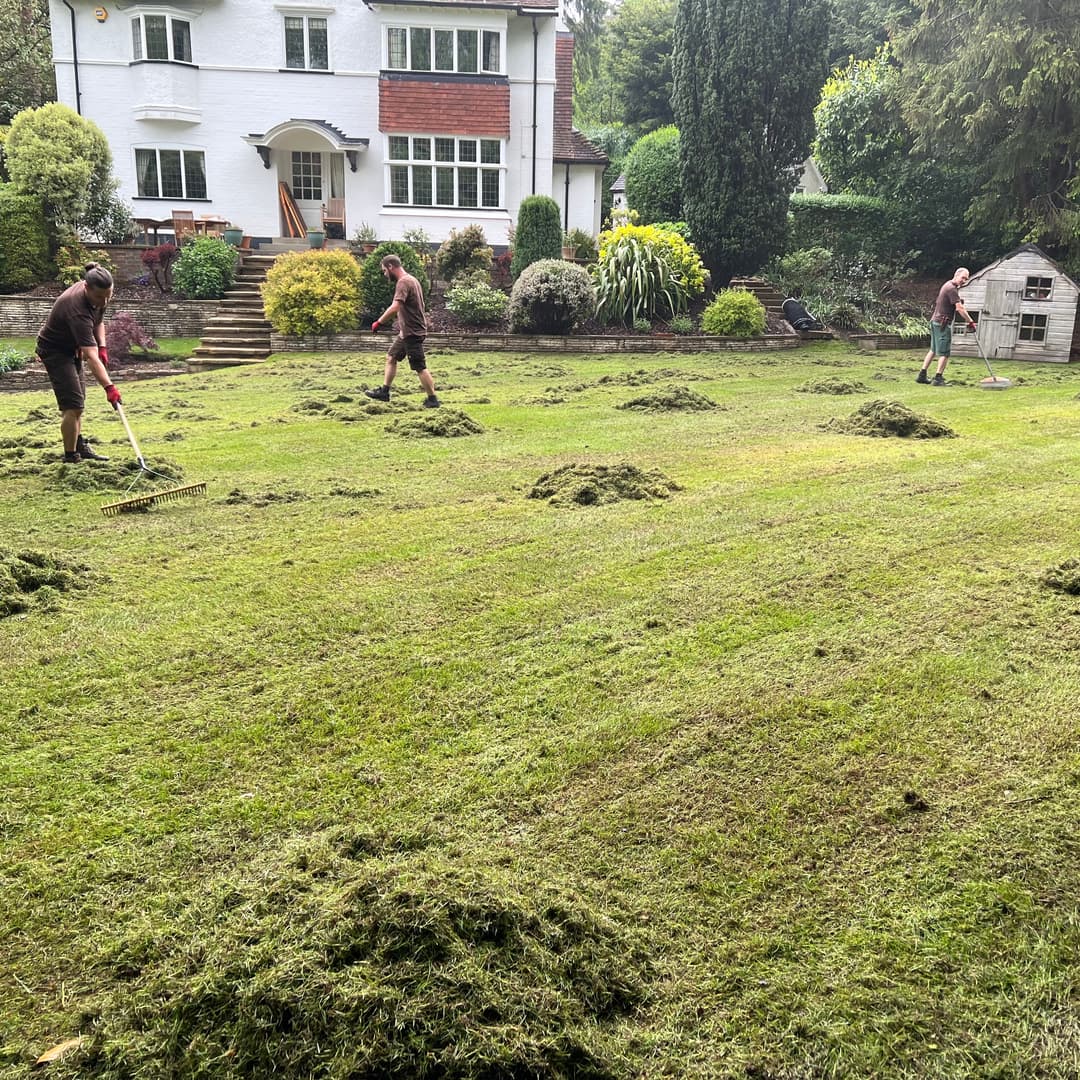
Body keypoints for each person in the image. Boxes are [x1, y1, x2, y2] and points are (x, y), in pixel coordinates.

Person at [35, 263, 122, 463]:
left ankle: (78, 445)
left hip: (72, 348)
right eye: (100, 297)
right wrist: (109, 388)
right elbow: (90, 356)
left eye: (109, 295)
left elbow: (99, 322)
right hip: (55, 351)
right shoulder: (77, 309)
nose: (105, 300)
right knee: (72, 406)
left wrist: (103, 346)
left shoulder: (100, 294)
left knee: (78, 404)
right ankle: (70, 456)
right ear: (86, 288)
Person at [364, 254, 440, 408]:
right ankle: (384, 392)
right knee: (391, 357)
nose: (385, 274)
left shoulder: (403, 282)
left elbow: (395, 306)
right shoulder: (412, 279)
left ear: (391, 266)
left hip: (412, 332)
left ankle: (433, 400)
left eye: (385, 271)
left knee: (419, 367)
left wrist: (379, 322)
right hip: (406, 332)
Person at [917, 267, 977, 386]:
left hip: (935, 321)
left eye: (966, 279)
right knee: (944, 353)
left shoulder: (947, 285)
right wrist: (970, 322)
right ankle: (938, 379)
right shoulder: (952, 289)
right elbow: (960, 308)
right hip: (942, 324)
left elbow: (952, 303)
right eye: (963, 278)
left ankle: (921, 376)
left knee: (933, 350)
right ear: (956, 275)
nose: (964, 281)